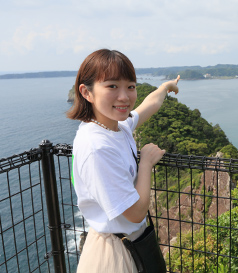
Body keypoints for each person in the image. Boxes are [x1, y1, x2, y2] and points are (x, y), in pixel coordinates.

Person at [67, 49, 180, 272]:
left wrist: (165, 87)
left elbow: (148, 106)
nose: (124, 96)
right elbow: (135, 212)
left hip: (129, 243)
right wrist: (145, 163)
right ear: (86, 92)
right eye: (112, 86)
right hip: (114, 254)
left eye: (130, 86)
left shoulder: (116, 126)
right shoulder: (96, 146)